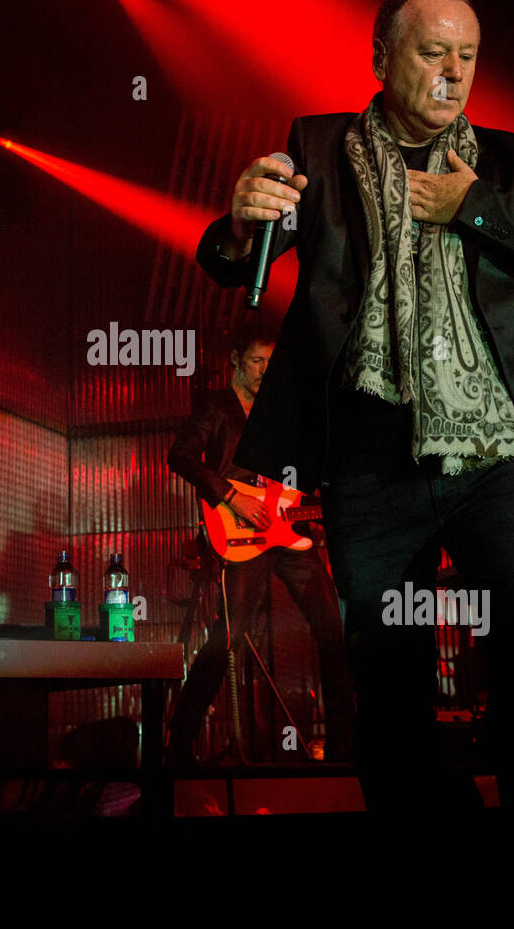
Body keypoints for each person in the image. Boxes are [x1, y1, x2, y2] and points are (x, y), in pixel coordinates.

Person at [195, 0, 514, 808]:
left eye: (467, 55)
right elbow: (229, 258)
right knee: (389, 680)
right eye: (432, 52)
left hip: (500, 452)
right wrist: (243, 222)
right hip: (369, 455)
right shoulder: (317, 148)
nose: (453, 71)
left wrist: (477, 206)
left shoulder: (513, 162)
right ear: (384, 58)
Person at [166, 327, 354, 765]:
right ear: (235, 360)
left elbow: (293, 476)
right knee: (227, 638)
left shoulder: (280, 411)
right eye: (256, 362)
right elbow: (180, 455)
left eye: (271, 364)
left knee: (332, 628)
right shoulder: (215, 406)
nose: (264, 372)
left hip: (286, 529)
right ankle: (177, 748)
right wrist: (233, 497)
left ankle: (347, 744)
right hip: (237, 530)